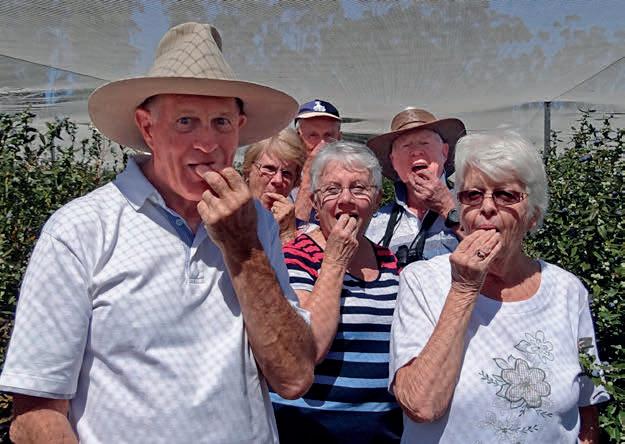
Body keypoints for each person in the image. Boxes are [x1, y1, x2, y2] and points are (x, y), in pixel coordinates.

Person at [0, 22, 315, 444]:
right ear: (147, 128)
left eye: (221, 122)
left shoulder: (254, 222)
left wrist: (244, 247)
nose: (208, 144)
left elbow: (293, 376)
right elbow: (35, 414)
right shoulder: (81, 229)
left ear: (240, 126)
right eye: (186, 121)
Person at [389, 132, 609, 443]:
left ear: (532, 216)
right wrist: (464, 290)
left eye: (506, 195)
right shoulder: (422, 281)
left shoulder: (567, 291)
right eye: (473, 195)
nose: (487, 207)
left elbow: (587, 409)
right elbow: (421, 405)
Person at [271, 141, 403, 443]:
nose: (345, 200)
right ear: (315, 203)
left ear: (377, 200)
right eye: (332, 190)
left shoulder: (389, 262)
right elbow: (308, 350)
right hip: (306, 430)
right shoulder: (294, 257)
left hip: (382, 433)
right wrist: (335, 260)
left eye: (359, 189)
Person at [366, 108, 466, 267]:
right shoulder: (373, 224)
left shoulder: (474, 204)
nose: (416, 152)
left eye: (425, 143)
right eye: (406, 146)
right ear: (393, 161)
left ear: (444, 152)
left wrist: (448, 208)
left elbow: (496, 259)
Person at [242, 127, 307, 244]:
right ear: (248, 171)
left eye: (287, 173)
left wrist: (287, 234)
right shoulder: (224, 220)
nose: (278, 180)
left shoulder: (307, 232)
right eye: (269, 169)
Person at [293, 99, 342, 223]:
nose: (322, 144)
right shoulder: (283, 176)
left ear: (339, 138)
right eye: (313, 135)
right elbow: (290, 231)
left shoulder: (349, 178)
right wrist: (308, 179)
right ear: (298, 138)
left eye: (329, 135)